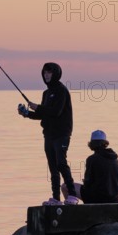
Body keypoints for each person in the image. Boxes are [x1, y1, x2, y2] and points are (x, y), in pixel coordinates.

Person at [17, 62, 78, 205]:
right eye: (44, 73)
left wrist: (38, 107)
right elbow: (44, 115)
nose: (46, 75)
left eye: (49, 72)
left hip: (62, 133)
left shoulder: (61, 91)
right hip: (48, 134)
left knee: (61, 163)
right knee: (52, 166)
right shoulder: (46, 93)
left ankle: (73, 195)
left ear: (55, 74)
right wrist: (27, 114)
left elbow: (56, 112)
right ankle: (56, 198)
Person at [61, 130, 118, 203]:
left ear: (91, 144)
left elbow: (88, 183)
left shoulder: (92, 159)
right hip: (115, 198)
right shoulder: (115, 159)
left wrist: (85, 182)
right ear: (105, 143)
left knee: (65, 186)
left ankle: (71, 211)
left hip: (97, 198)